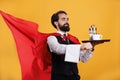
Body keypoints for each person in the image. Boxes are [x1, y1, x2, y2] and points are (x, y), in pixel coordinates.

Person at [47, 10, 94, 80]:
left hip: (74, 77)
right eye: (63, 19)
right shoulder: (51, 38)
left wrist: (91, 48)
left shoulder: (73, 39)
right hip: (58, 78)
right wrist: (81, 47)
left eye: (67, 19)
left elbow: (84, 59)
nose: (66, 21)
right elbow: (58, 49)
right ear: (56, 23)